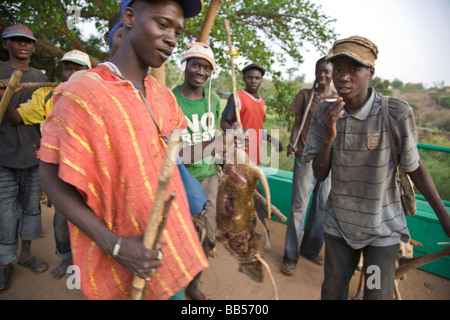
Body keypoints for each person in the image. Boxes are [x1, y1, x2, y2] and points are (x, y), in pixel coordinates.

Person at [38, 0, 208, 300]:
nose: (172, 39)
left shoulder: (162, 95)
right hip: (120, 259)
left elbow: (167, 160)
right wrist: (115, 244)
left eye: (177, 32)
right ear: (129, 17)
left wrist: (223, 150)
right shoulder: (82, 95)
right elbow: (49, 176)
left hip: (164, 255)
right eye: (162, 24)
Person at [303, 35, 450, 300]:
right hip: (339, 227)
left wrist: (445, 218)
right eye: (338, 70)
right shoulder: (325, 113)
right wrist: (328, 136)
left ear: (370, 72)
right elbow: (320, 173)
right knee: (333, 290)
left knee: (374, 293)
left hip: (382, 230)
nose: (343, 77)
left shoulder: (395, 112)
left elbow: (414, 167)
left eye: (353, 69)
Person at [3, 49, 91, 280]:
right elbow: (16, 118)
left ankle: (93, 264)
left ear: (87, 72)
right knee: (63, 219)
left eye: (77, 68)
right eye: (67, 68)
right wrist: (4, 94)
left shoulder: (98, 95)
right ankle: (65, 256)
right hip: (62, 172)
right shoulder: (48, 95)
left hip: (92, 171)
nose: (70, 72)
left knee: (97, 218)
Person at [0, 24, 49, 294]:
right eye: (16, 41)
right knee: (6, 214)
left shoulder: (40, 76)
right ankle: (5, 263)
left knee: (32, 208)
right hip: (3, 155)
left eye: (27, 42)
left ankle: (26, 255)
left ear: (33, 47)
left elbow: (40, 115)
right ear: (5, 44)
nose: (23, 45)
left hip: (32, 153)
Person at [280, 57, 338, 275]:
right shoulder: (306, 95)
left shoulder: (338, 99)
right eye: (319, 71)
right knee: (299, 207)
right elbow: (297, 124)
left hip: (329, 162)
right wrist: (293, 142)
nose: (322, 76)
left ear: (333, 74)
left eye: (327, 72)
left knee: (323, 206)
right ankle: (290, 256)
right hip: (305, 157)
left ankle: (310, 250)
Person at [172, 42, 220, 300]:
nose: (200, 71)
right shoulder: (170, 99)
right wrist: (213, 146)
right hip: (181, 179)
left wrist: (220, 153)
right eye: (196, 65)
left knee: (206, 234)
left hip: (209, 177)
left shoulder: (213, 99)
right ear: (186, 66)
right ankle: (175, 286)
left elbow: (215, 137)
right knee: (178, 235)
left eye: (206, 67)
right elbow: (171, 152)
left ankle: (193, 285)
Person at [220, 63, 283, 165]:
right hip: (238, 153)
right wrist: (236, 135)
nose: (253, 81)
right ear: (244, 79)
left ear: (261, 80)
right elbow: (223, 122)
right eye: (250, 77)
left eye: (257, 78)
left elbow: (259, 129)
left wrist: (273, 140)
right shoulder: (237, 98)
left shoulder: (261, 101)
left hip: (255, 154)